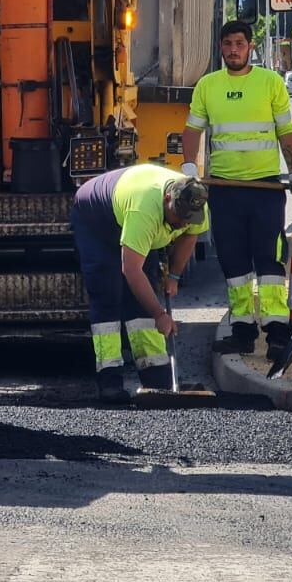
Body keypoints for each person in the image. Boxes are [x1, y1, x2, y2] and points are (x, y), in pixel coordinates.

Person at [180, 19, 292, 360]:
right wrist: (190, 164)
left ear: (250, 47)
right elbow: (193, 129)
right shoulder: (207, 86)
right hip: (224, 189)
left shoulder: (270, 82)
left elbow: (284, 131)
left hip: (265, 189)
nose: (233, 49)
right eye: (228, 43)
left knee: (269, 259)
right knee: (233, 262)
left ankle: (277, 332)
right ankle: (242, 330)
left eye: (239, 43)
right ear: (220, 48)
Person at [70, 163, 210, 404]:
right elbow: (131, 269)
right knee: (108, 293)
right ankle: (110, 379)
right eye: (178, 216)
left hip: (135, 220)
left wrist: (174, 276)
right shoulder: (144, 210)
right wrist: (159, 314)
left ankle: (156, 377)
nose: (182, 222)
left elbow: (190, 235)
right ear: (168, 199)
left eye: (188, 218)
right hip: (97, 220)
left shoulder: (194, 203)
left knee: (143, 298)